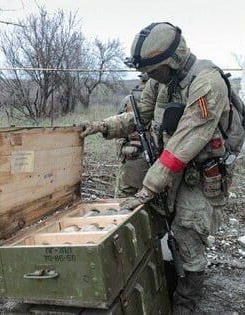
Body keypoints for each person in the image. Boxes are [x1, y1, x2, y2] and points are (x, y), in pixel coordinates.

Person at [81, 22, 231, 314]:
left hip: (199, 175)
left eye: (153, 70)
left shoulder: (207, 83)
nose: (148, 77)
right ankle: (163, 279)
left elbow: (185, 143)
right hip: (170, 171)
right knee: (156, 225)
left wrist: (148, 188)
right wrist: (103, 126)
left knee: (188, 233)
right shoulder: (160, 81)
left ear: (173, 61)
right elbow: (140, 116)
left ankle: (186, 302)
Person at [114, 73, 151, 198]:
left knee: (124, 196)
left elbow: (119, 125)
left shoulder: (128, 99)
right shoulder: (161, 97)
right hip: (155, 158)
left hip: (132, 156)